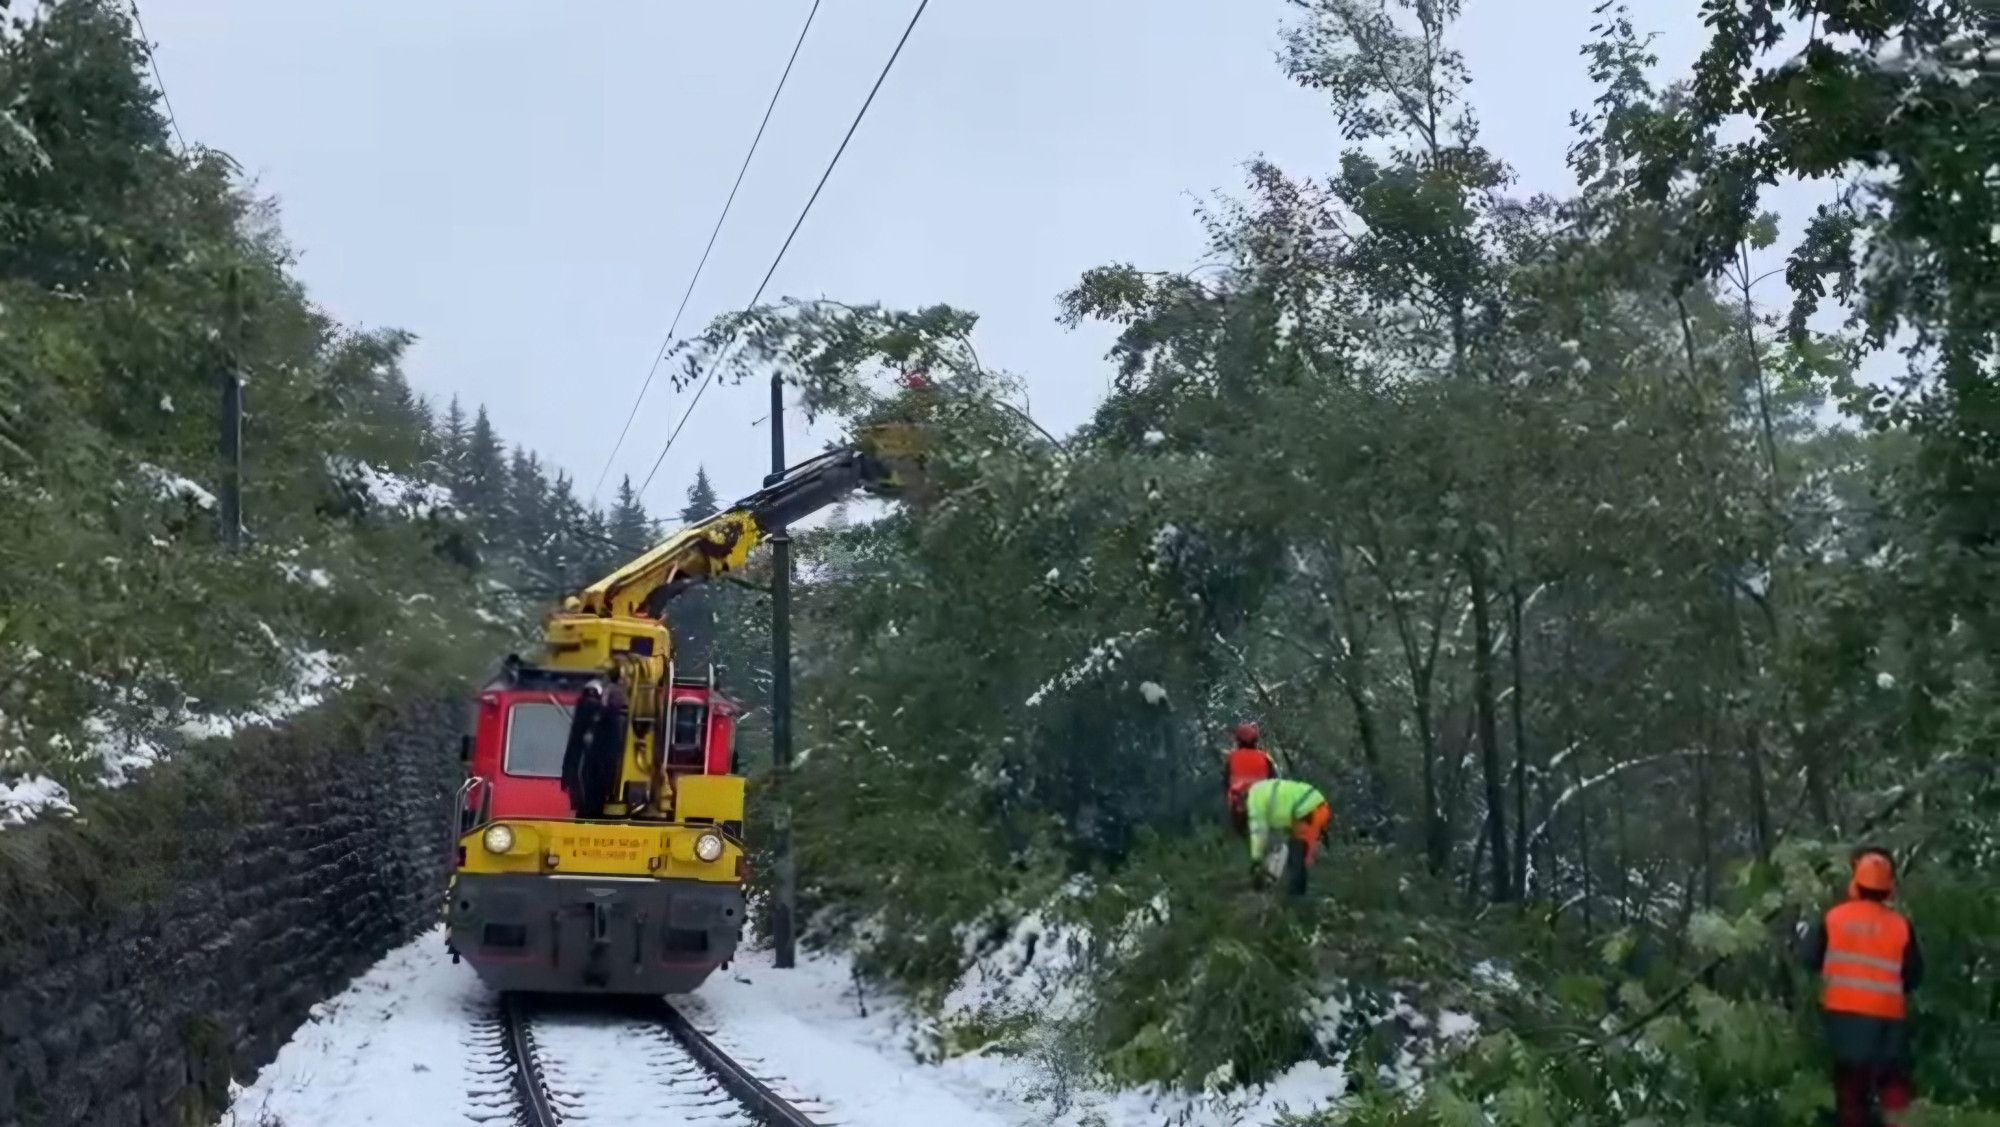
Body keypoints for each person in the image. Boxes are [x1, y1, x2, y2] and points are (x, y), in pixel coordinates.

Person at [1800, 847, 1924, 1127]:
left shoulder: (1833, 919)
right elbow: (1914, 976)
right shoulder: (1901, 926)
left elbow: (1808, 959)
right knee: (1893, 1085)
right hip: (1888, 1019)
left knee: (1850, 1091)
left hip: (1843, 1017)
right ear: (1889, 888)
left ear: (1854, 883)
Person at [1244, 777, 1330, 897]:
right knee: (1295, 858)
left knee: (1297, 859)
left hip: (1309, 811)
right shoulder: (1261, 791)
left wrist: (1256, 860)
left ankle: (1297, 902)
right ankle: (1297, 896)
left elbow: (1258, 831)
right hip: (1312, 807)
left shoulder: (1254, 801)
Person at [1223, 722, 1276, 836]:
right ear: (1255, 741)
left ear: (1238, 742)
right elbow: (1274, 782)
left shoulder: (1231, 759)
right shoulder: (1265, 758)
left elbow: (1226, 783)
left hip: (1240, 807)